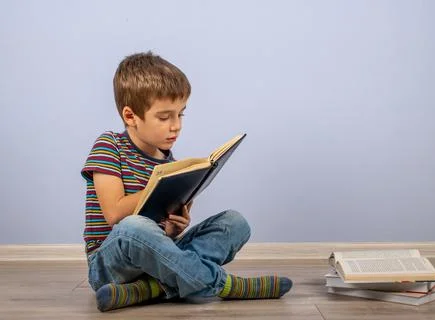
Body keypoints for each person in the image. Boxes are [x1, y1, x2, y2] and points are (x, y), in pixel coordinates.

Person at [81, 51, 292, 312]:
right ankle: (223, 285)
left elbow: (161, 235)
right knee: (132, 228)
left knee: (234, 224)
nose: (176, 126)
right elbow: (113, 213)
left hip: (159, 258)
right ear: (130, 116)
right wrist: (154, 189)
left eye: (181, 115)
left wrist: (173, 229)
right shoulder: (109, 145)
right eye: (164, 117)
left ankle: (150, 289)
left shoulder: (168, 163)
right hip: (110, 263)